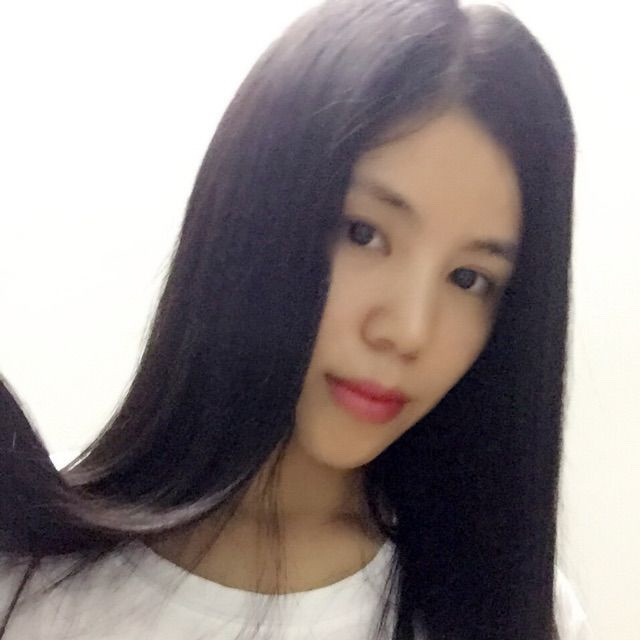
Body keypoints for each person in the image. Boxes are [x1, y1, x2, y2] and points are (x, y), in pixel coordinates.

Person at [0, 0, 589, 638]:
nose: (408, 331)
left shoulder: (513, 611)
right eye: (363, 232)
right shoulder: (26, 572)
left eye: (470, 279)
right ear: (253, 212)